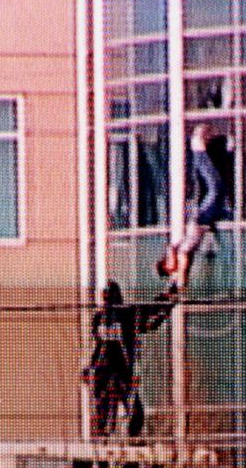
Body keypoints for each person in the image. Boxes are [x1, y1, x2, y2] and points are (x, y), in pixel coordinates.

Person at [84, 281, 172, 438]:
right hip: (114, 374)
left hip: (110, 374)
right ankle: (115, 450)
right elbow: (150, 315)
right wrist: (166, 300)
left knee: (115, 418)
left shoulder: (106, 317)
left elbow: (150, 316)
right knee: (128, 415)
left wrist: (166, 300)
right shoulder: (117, 316)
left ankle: (115, 449)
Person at [158, 124, 228, 290]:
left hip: (202, 219)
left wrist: (178, 278)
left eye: (168, 264)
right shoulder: (181, 253)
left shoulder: (180, 251)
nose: (171, 264)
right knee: (218, 187)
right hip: (204, 221)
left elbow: (177, 254)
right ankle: (204, 149)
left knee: (216, 187)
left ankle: (198, 148)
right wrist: (178, 279)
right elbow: (181, 263)